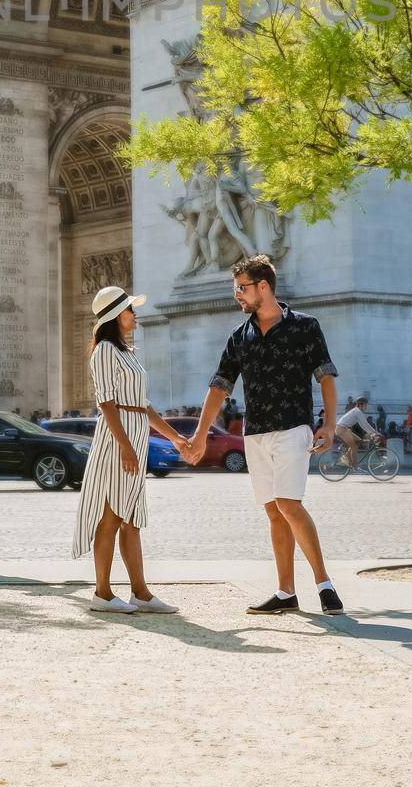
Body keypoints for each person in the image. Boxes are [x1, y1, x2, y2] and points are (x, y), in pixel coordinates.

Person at [185, 255, 343, 616]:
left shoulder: (306, 326)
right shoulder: (239, 336)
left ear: (263, 287)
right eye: (235, 289)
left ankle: (324, 585)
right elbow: (218, 388)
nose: (237, 296)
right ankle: (285, 591)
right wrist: (198, 435)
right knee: (273, 511)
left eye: (242, 289)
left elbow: (327, 376)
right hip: (255, 433)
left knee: (289, 504)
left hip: (294, 427)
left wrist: (329, 424)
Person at [72, 284, 187, 615]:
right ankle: (102, 592)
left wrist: (175, 438)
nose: (135, 314)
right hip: (117, 437)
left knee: (131, 519)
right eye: (130, 309)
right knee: (111, 515)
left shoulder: (127, 353)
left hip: (134, 433)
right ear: (115, 315)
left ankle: (141, 592)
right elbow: (106, 403)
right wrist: (125, 447)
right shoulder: (106, 351)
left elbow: (144, 406)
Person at [335, 397, 380, 469]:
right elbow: (364, 424)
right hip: (341, 429)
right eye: (365, 405)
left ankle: (347, 458)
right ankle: (355, 466)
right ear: (360, 405)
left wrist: (373, 432)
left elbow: (364, 424)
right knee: (354, 447)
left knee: (358, 441)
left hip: (344, 429)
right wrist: (373, 432)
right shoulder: (357, 412)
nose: (366, 407)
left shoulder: (358, 411)